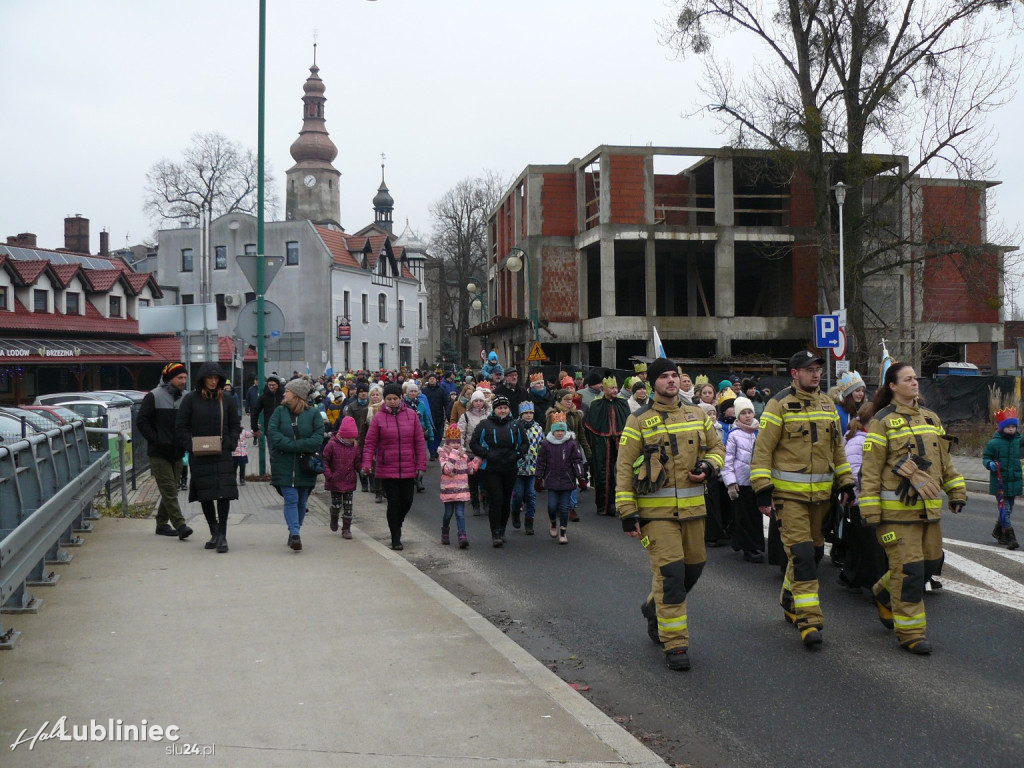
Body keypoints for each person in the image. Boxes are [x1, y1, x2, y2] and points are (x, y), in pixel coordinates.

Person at [616, 357, 725, 671]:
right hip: (656, 517)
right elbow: (624, 469)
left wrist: (708, 466)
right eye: (663, 377)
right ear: (652, 384)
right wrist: (627, 512)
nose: (671, 381)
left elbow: (717, 448)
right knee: (672, 576)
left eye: (674, 376)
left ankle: (654, 607)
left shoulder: (696, 415)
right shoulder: (638, 420)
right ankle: (675, 644)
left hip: (693, 512)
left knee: (694, 568)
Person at [750, 350, 855, 648]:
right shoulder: (778, 404)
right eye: (809, 370)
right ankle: (808, 621)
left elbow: (838, 450)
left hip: (821, 498)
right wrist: (762, 489)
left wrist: (846, 482)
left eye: (818, 369)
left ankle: (787, 596)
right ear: (795, 374)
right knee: (804, 557)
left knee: (814, 553)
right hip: (788, 498)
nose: (816, 374)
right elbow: (762, 451)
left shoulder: (827, 404)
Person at [859, 362, 966, 654]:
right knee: (910, 573)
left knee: (930, 565)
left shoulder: (931, 418)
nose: (914, 383)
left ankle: (882, 592)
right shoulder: (882, 420)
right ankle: (911, 634)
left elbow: (946, 463)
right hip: (896, 515)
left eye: (915, 378)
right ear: (892, 386)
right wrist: (870, 510)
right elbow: (869, 470)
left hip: (928, 513)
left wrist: (956, 491)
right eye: (907, 379)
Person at [175, 362, 241, 553]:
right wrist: (191, 445)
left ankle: (222, 535)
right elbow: (181, 426)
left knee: (223, 494)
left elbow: (235, 425)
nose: (213, 382)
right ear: (202, 379)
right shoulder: (191, 399)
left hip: (222, 454)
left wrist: (230, 443)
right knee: (205, 494)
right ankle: (214, 530)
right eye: (209, 378)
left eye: (216, 378)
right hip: (200, 455)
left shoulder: (227, 399)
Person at [362, 382, 427, 550]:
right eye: (389, 399)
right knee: (393, 502)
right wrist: (367, 463)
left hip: (408, 466)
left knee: (407, 500)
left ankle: (398, 522)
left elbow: (419, 442)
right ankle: (395, 537)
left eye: (395, 398)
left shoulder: (411, 416)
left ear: (401, 398)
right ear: (385, 400)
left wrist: (421, 465)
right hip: (387, 467)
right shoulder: (379, 418)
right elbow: (370, 443)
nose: (392, 402)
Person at [266, 376, 325, 551]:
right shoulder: (279, 411)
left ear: (297, 394)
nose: (285, 393)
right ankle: (295, 533)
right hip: (283, 464)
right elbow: (273, 433)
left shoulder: (313, 413)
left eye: (288, 391)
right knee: (291, 499)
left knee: (301, 502)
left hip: (306, 466)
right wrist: (294, 446)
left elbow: (318, 436)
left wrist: (296, 446)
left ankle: (294, 531)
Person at [836, 403, 889, 591]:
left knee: (864, 546)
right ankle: (874, 585)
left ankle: (851, 576)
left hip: (870, 500)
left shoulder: (870, 438)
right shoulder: (858, 441)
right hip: (861, 501)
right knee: (870, 548)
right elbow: (854, 472)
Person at [137, 362, 193, 540]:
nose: (183, 381)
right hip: (159, 452)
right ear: (169, 378)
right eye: (180, 378)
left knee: (171, 490)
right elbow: (142, 421)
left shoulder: (186, 397)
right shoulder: (153, 396)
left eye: (185, 377)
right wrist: (156, 439)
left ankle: (161, 524)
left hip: (178, 452)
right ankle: (180, 524)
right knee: (169, 489)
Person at [470, 394, 527, 547]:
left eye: (505, 408)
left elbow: (524, 444)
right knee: (496, 499)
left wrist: (517, 454)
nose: (502, 411)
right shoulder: (485, 425)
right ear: (494, 409)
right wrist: (486, 454)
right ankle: (495, 532)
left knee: (506, 500)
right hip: (491, 468)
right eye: (500, 408)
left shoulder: (516, 425)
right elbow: (474, 444)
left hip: (510, 467)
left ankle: (502, 529)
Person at [722, 396, 764, 562]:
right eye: (743, 413)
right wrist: (731, 482)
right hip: (741, 482)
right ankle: (749, 548)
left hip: (757, 481)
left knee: (755, 515)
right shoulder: (734, 435)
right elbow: (728, 460)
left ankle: (753, 543)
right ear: (738, 416)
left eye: (750, 412)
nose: (747, 416)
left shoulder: (759, 432)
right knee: (744, 515)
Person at [583, 374, 630, 517]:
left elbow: (627, 422)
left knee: (621, 473)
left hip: (619, 442)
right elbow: (591, 427)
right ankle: (604, 505)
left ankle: (620, 505)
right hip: (602, 443)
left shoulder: (623, 403)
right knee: (603, 473)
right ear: (604, 389)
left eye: (616, 387)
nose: (615, 390)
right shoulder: (596, 404)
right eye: (612, 388)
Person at [535, 413, 587, 544]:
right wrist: (539, 477)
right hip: (552, 479)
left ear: (565, 431)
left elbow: (577, 460)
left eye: (562, 430)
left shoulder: (571, 444)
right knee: (552, 506)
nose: (559, 433)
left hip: (567, 479)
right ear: (553, 431)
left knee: (564, 507)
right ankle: (553, 523)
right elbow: (541, 461)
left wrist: (580, 476)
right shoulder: (546, 444)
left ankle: (563, 531)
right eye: (557, 430)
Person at [544, 388, 591, 522]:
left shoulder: (576, 415)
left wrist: (588, 452)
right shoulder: (553, 414)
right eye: (566, 399)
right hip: (557, 453)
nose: (569, 402)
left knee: (573, 479)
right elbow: (548, 433)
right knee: (558, 479)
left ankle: (571, 507)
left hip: (572, 451)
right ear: (559, 400)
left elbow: (581, 434)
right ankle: (559, 505)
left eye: (571, 400)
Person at [984, 406, 1021, 549]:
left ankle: (998, 532)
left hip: (1015, 481)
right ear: (1002, 427)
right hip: (1000, 481)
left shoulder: (1020, 441)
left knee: (1009, 509)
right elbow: (986, 457)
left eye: (1013, 426)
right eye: (1008, 427)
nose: (1011, 429)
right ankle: (1010, 537)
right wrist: (990, 464)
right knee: (1004, 508)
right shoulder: (994, 443)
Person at [323, 415, 361, 539]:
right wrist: (329, 475)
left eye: (353, 437)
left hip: (349, 480)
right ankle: (334, 515)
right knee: (337, 504)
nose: (351, 439)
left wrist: (363, 469)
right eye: (349, 437)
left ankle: (346, 529)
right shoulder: (332, 445)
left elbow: (357, 463)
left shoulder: (355, 447)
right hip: (335, 480)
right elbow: (325, 461)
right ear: (343, 434)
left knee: (348, 506)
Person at [438, 422, 474, 548]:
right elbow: (448, 470)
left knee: (460, 513)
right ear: (447, 442)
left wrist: (477, 461)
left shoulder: (463, 455)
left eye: (457, 442)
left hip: (461, 489)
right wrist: (454, 454)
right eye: (453, 442)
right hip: (449, 489)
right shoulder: (443, 454)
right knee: (448, 513)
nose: (456, 445)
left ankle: (462, 536)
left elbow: (470, 470)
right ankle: (445, 532)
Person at [510, 401, 544, 534]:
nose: (529, 415)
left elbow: (542, 446)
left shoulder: (538, 428)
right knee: (518, 494)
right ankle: (515, 513)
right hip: (518, 468)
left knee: (531, 495)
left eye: (531, 413)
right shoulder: (514, 427)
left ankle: (529, 521)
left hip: (532, 468)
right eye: (526, 413)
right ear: (521, 414)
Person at [458, 389, 492, 515]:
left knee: (486, 479)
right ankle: (475, 503)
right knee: (473, 480)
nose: (478, 403)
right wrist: (461, 449)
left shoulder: (489, 415)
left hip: (486, 453)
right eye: (476, 401)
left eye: (480, 401)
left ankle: (486, 502)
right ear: (472, 402)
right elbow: (460, 433)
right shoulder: (465, 416)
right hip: (470, 452)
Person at [251, 374, 284, 464]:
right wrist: (254, 427)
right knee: (273, 454)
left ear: (278, 385)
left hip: (284, 429)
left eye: (273, 385)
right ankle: (275, 473)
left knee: (284, 453)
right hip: (270, 430)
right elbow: (255, 411)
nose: (271, 387)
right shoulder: (263, 397)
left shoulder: (284, 396)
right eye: (269, 385)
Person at [422, 372, 448, 460]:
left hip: (439, 415)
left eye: (433, 378)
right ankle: (432, 452)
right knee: (430, 435)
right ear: (428, 380)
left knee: (439, 435)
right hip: (428, 417)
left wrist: (447, 413)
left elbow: (446, 403)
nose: (432, 380)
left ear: (436, 380)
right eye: (430, 379)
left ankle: (436, 448)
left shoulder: (441, 390)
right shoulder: (424, 391)